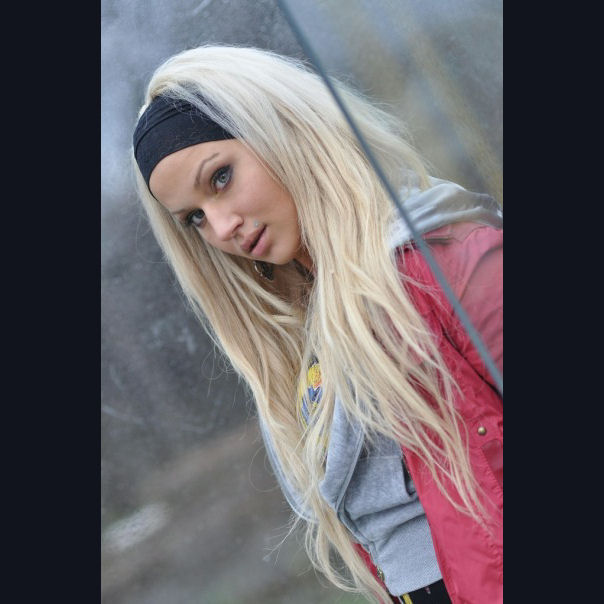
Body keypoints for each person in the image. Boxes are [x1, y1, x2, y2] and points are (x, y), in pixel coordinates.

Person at [131, 45, 502, 604]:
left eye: (221, 177)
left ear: (283, 131)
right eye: (195, 218)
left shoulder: (447, 264)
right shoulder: (310, 338)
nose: (222, 227)